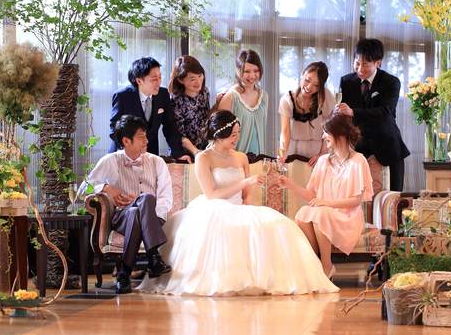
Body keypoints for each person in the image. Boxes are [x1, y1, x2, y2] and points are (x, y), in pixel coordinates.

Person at [137, 110, 339, 296]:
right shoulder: (204, 158)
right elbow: (212, 194)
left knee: (279, 224)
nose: (237, 138)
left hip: (239, 206)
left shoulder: (241, 157)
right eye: (232, 135)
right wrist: (245, 182)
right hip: (214, 206)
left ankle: (278, 278)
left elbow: (247, 195)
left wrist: (247, 207)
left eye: (238, 133)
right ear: (219, 135)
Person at [278, 114, 374, 279]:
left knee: (320, 213)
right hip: (326, 213)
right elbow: (311, 195)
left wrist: (326, 203)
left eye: (326, 132)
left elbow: (356, 200)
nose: (323, 136)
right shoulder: (323, 161)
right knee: (303, 214)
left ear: (340, 134)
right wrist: (290, 184)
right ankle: (317, 264)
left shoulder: (358, 161)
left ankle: (326, 266)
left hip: (348, 217)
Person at [86, 115, 173, 294]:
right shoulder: (110, 161)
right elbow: (83, 188)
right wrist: (106, 188)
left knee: (141, 205)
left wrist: (153, 219)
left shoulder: (157, 162)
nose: (147, 141)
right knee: (140, 204)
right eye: (141, 137)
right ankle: (153, 257)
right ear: (126, 141)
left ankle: (124, 274)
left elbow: (165, 197)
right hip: (121, 217)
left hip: (150, 217)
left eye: (146, 136)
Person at [335, 38, 410, 191]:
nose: (360, 69)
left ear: (378, 63)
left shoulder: (391, 82)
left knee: (393, 197)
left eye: (365, 64)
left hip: (387, 146)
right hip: (357, 148)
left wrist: (353, 111)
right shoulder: (346, 81)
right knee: (356, 195)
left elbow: (386, 111)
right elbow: (344, 114)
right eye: (357, 63)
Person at [109, 56, 190, 162]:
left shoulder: (163, 95)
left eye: (160, 77)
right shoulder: (123, 96)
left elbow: (169, 126)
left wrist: (178, 153)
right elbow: (114, 128)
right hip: (124, 154)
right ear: (139, 80)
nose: (159, 82)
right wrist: (129, 151)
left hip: (150, 153)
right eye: (154, 79)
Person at [279, 61, 334, 167]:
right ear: (302, 74)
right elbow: (285, 131)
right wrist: (283, 154)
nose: (309, 87)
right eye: (307, 80)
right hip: (292, 153)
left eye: (316, 85)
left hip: (316, 156)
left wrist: (322, 155)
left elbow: (329, 129)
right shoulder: (287, 100)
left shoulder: (326, 98)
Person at [217, 49, 268, 155]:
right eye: (247, 71)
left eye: (256, 71)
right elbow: (219, 135)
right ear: (238, 71)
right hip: (234, 158)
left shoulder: (264, 96)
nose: (252, 75)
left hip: (259, 157)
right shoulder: (230, 97)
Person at [168, 55, 210, 158]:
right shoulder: (176, 100)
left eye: (200, 76)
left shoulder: (204, 92)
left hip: (204, 148)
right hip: (184, 153)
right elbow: (179, 134)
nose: (198, 82)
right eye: (192, 79)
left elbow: (207, 117)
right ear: (181, 80)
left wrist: (217, 104)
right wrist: (195, 152)